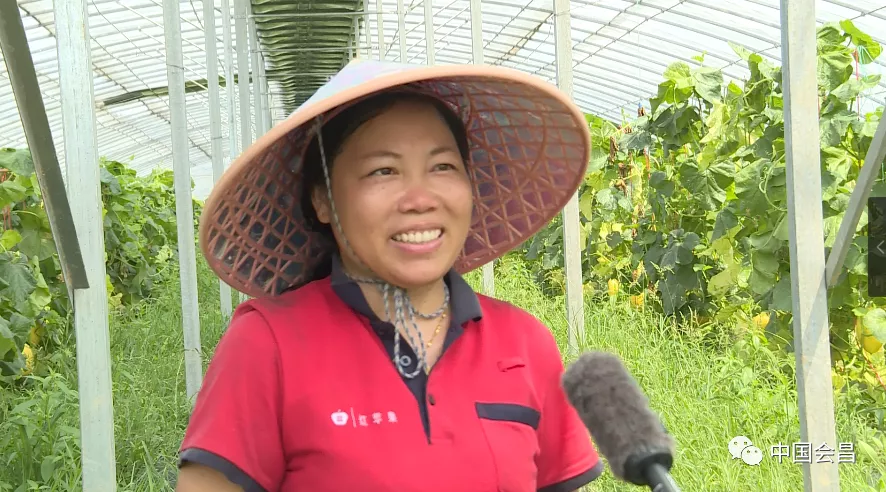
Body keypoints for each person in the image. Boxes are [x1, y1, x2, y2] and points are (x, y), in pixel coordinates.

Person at [175, 59, 603, 492]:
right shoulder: (267, 344)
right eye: (383, 171)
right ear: (323, 200)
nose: (420, 199)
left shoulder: (525, 344)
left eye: (442, 167)